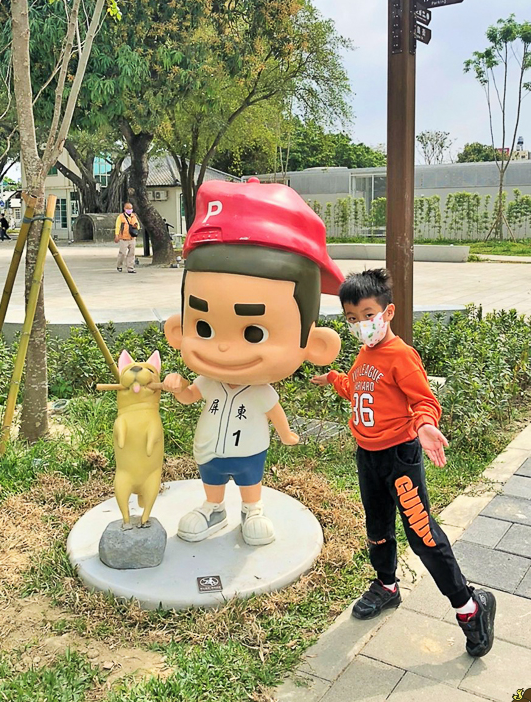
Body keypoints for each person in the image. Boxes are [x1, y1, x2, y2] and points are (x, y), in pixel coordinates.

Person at [312, 268, 496, 658]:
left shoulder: (400, 355)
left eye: (367, 314)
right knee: (377, 525)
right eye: (351, 318)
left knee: (421, 534)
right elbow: (359, 390)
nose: (360, 324)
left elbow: (423, 400)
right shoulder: (365, 356)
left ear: (387, 311)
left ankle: (469, 607)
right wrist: (332, 378)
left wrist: (426, 424)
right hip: (368, 457)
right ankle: (386, 586)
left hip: (399, 459)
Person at [157, 177, 342, 546]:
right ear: (177, 329)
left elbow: (274, 412)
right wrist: (178, 388)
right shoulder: (209, 382)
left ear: (315, 345)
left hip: (250, 451)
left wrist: (287, 433)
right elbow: (193, 396)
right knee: (211, 478)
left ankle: (252, 509)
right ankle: (213, 509)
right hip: (210, 448)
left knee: (249, 479)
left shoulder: (261, 391)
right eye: (204, 326)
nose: (224, 349)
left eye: (253, 333)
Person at [114, 202, 140, 273]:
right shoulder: (120, 217)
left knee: (132, 253)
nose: (129, 210)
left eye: (131, 208)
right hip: (123, 238)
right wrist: (116, 235)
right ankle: (119, 265)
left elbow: (138, 226)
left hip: (132, 238)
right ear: (124, 209)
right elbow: (118, 226)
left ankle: (130, 268)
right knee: (122, 253)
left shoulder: (134, 216)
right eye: (128, 208)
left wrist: (136, 226)